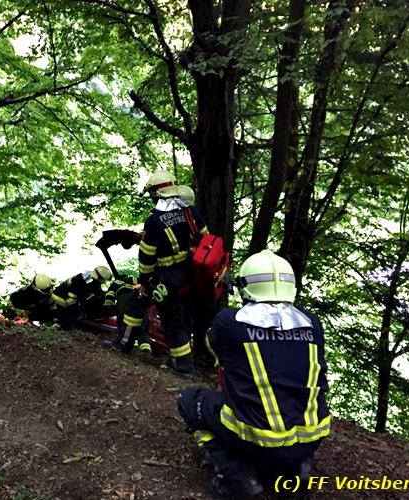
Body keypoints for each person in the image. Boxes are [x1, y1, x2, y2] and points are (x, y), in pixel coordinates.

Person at [177, 250, 330, 499]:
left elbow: (213, 346)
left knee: (189, 400)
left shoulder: (229, 322)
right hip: (310, 440)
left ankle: (236, 476)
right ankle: (298, 467)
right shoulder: (313, 324)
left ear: (245, 285)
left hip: (255, 440)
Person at [123, 171, 207, 377]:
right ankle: (176, 361)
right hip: (191, 275)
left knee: (166, 318)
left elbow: (147, 258)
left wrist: (144, 282)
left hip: (167, 279)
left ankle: (183, 367)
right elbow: (206, 240)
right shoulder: (190, 212)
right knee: (182, 318)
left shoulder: (154, 221)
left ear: (158, 193)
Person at [101, 273, 153, 355]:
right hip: (142, 309)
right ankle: (146, 349)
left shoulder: (117, 282)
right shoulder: (141, 282)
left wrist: (107, 305)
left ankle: (121, 344)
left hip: (126, 305)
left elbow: (110, 294)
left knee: (124, 326)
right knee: (142, 330)